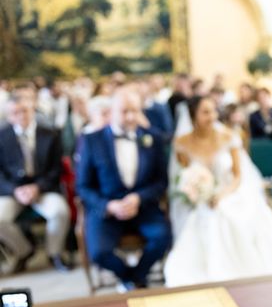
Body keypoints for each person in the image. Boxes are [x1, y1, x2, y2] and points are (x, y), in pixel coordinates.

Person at [163, 95, 272, 287]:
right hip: (201, 198)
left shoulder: (228, 137)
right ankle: (208, 270)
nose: (211, 116)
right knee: (205, 215)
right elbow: (184, 175)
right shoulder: (182, 143)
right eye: (205, 112)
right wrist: (195, 190)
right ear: (193, 115)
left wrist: (222, 194)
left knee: (227, 213)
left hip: (231, 191)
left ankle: (236, 269)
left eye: (213, 111)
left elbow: (238, 175)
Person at [76, 88, 172, 292]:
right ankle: (129, 277)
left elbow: (161, 181)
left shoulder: (152, 138)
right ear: (111, 111)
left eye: (134, 111)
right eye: (124, 111)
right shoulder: (92, 141)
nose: (130, 117)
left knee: (163, 238)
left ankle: (136, 278)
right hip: (107, 209)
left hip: (143, 207)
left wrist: (139, 198)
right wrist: (109, 205)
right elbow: (83, 186)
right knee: (99, 253)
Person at [0, 95, 72, 272]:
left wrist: (37, 187)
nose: (21, 116)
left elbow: (57, 170)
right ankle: (24, 251)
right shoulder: (2, 137)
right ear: (9, 116)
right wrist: (15, 190)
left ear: (32, 110)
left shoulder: (50, 134)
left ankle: (54, 253)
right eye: (15, 112)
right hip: (13, 191)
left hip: (43, 188)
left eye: (24, 110)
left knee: (60, 211)